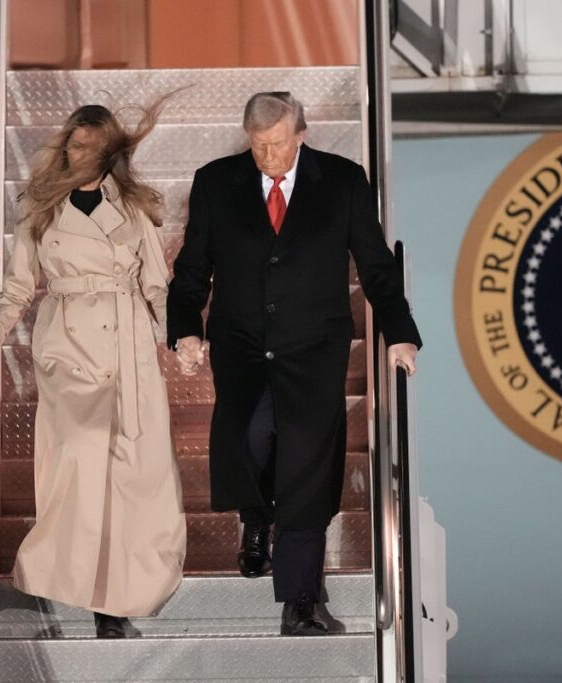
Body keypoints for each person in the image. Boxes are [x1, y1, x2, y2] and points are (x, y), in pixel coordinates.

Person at [167, 91, 420, 636]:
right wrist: (185, 327)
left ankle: (301, 602)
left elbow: (376, 265)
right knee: (250, 439)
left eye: (278, 144)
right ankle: (257, 517)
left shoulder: (343, 181)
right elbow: (192, 267)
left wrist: (399, 333)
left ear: (301, 134)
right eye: (258, 145)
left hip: (313, 349)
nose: (268, 156)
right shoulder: (215, 182)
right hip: (241, 346)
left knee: (306, 467)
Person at [0, 103, 187, 639]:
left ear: (110, 153)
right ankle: (67, 580)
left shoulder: (133, 205)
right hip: (67, 347)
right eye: (75, 145)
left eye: (92, 148)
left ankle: (112, 604)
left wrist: (181, 336)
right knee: (78, 462)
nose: (81, 155)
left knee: (132, 474)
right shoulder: (38, 205)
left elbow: (156, 286)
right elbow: (17, 288)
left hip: (127, 346)